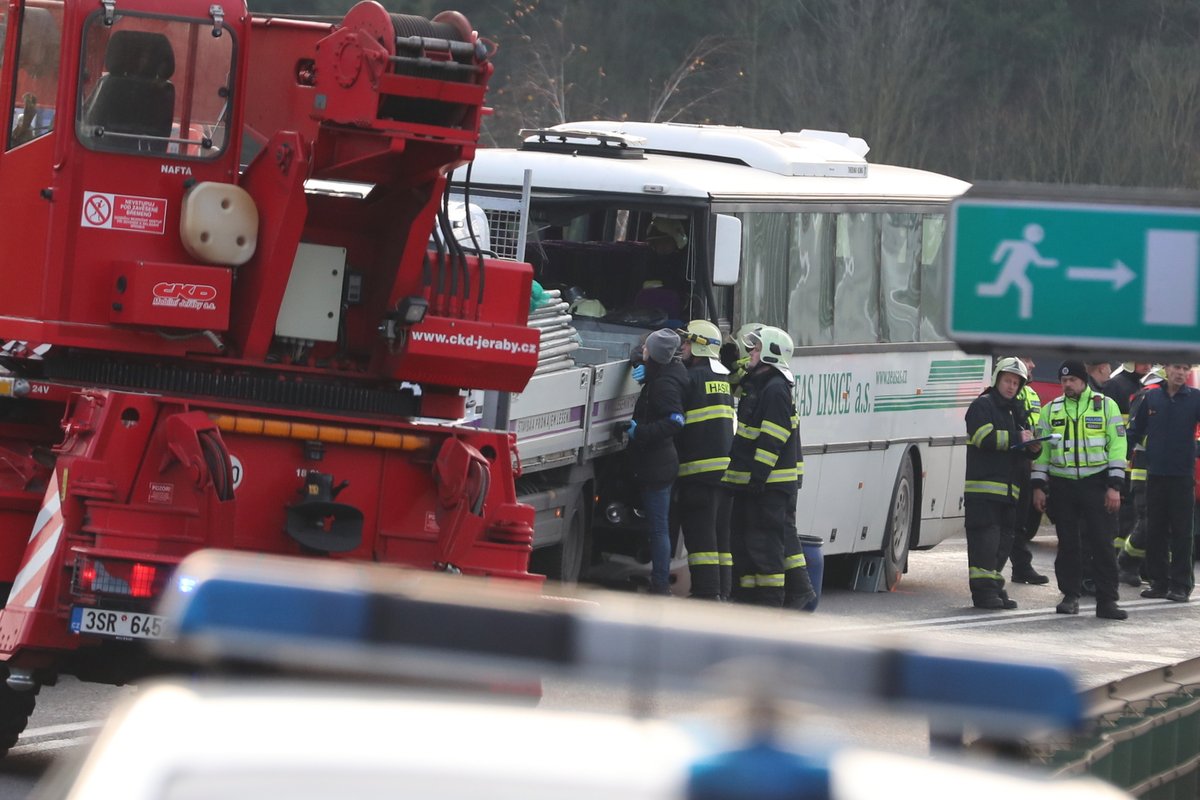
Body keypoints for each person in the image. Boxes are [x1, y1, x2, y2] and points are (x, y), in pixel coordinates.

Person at [721, 326, 813, 608]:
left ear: (771, 355)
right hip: (758, 481)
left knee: (766, 544)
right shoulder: (759, 382)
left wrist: (759, 476)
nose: (751, 352)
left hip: (769, 483)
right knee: (749, 540)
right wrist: (729, 361)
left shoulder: (775, 390)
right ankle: (751, 596)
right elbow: (739, 379)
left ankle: (773, 601)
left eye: (756, 348)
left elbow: (772, 438)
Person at [1031, 360, 1128, 620]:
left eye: (1072, 380)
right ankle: (1070, 595)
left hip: (1096, 484)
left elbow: (1118, 446)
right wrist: (1039, 486)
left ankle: (1107, 602)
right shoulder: (1050, 410)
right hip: (1063, 485)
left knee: (1103, 544)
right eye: (1063, 381)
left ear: (1083, 381)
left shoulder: (1106, 406)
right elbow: (1043, 452)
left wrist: (1114, 486)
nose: (1067, 385)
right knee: (1068, 545)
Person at [964, 357, 1039, 609]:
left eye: (1016, 383)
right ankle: (983, 594)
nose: (1011, 386)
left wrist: (1033, 448)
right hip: (984, 493)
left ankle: (995, 587)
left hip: (1009, 492)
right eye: (1008, 380)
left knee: (1003, 544)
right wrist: (1018, 437)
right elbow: (982, 437)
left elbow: (1021, 444)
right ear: (997, 379)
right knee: (985, 544)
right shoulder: (982, 406)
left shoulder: (1015, 410)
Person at [623, 329, 688, 595]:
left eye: (648, 350)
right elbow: (641, 353)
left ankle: (660, 584)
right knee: (656, 525)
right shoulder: (668, 370)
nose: (643, 351)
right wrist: (643, 365)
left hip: (657, 464)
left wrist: (641, 432)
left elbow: (675, 421)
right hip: (656, 462)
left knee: (659, 527)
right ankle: (658, 580)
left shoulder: (665, 386)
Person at [1127, 363, 1200, 603]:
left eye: (1185, 368)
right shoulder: (1152, 398)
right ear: (1166, 369)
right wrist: (1118, 459)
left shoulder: (1195, 399)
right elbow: (1135, 431)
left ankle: (1181, 585)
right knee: (1155, 530)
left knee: (1182, 532)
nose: (1181, 373)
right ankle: (1158, 583)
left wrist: (1194, 451)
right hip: (1156, 475)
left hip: (1181, 477)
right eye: (1177, 367)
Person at [674, 320, 735, 600]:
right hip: (724, 474)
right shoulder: (721, 379)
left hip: (697, 474)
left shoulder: (691, 379)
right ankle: (722, 592)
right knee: (720, 539)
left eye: (687, 342)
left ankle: (707, 595)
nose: (683, 347)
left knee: (701, 541)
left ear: (699, 345)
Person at [1117, 366, 1164, 586]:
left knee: (1162, 521)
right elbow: (1133, 433)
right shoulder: (1148, 394)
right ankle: (1127, 561)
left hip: (1167, 470)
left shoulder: (1179, 396)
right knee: (1146, 518)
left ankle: (1152, 569)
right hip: (1143, 469)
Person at [1007, 357, 1049, 585]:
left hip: (1026, 463)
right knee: (1007, 521)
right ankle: (998, 572)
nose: (1033, 365)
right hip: (1008, 463)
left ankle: (1021, 567)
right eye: (1026, 359)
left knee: (1021, 520)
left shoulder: (1032, 394)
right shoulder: (1008, 393)